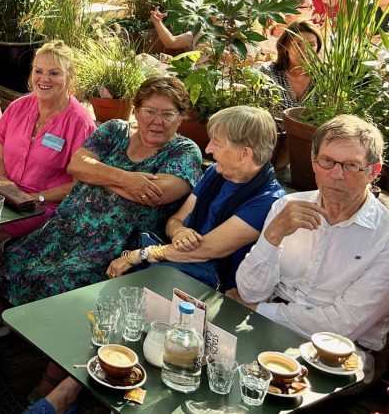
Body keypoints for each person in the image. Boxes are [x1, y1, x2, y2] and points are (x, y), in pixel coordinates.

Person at [0, 76, 204, 305]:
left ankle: (35, 332)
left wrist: (97, 175)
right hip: (67, 230)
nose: (157, 121)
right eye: (150, 111)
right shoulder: (115, 130)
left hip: (114, 246)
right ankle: (13, 323)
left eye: (167, 114)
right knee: (14, 260)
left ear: (181, 118)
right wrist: (128, 179)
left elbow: (156, 193)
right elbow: (77, 166)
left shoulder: (183, 151)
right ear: (136, 111)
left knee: (53, 281)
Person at [0, 41, 97, 337]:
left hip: (44, 205)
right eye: (38, 71)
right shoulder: (22, 106)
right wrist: (1, 180)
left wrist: (36, 196)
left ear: (70, 78)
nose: (44, 79)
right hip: (5, 191)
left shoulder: (79, 122)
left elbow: (81, 182)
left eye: (54, 73)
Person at [230, 115, 389, 352]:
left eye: (351, 165)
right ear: (313, 161)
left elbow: (343, 326)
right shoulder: (287, 207)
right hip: (265, 326)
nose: (336, 174)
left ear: (373, 171)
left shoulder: (384, 235)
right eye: (327, 161)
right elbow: (250, 291)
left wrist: (257, 310)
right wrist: (272, 237)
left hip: (339, 353)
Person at [107, 106, 285, 289]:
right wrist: (180, 232)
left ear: (245, 154)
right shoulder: (216, 174)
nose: (208, 149)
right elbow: (175, 221)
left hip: (215, 287)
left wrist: (140, 255)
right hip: (181, 268)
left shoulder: (268, 201)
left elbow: (205, 250)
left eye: (217, 143)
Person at [260, 21, 322, 113]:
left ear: (317, 48)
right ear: (285, 46)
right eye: (298, 44)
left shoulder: (323, 80)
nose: (304, 51)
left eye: (311, 45)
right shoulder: (267, 73)